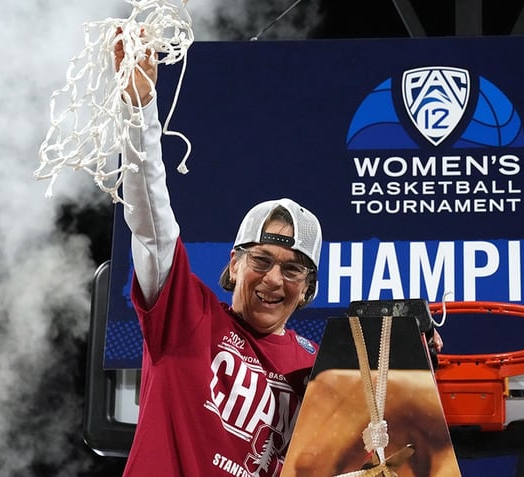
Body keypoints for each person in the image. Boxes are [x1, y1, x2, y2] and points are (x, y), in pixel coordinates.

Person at [115, 36, 323, 477]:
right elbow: (152, 225)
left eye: (292, 270)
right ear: (234, 264)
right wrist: (139, 110)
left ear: (307, 288)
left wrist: (415, 365)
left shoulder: (321, 366)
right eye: (261, 260)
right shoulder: (187, 317)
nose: (272, 280)